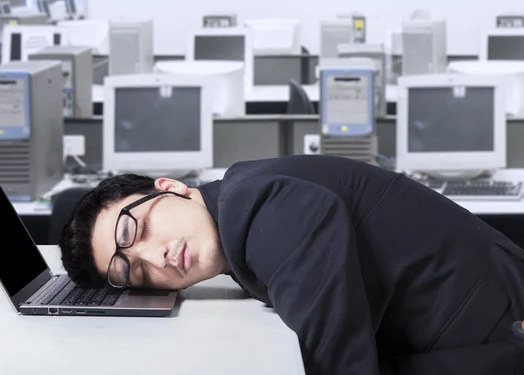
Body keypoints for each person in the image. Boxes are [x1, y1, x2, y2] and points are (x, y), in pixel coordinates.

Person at [58, 155, 524, 374]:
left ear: (171, 187)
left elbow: (341, 366)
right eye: (133, 271)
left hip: (497, 326)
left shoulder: (259, 207)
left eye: (133, 232)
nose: (153, 256)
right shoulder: (235, 199)